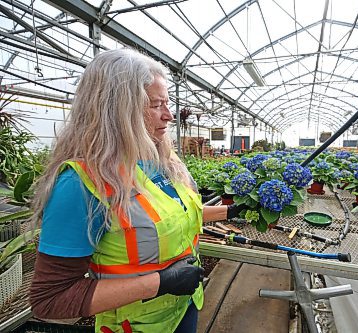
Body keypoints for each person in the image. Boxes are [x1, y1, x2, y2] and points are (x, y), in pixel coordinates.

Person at [29, 48, 244, 333]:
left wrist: (231, 211)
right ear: (117, 109)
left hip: (184, 310)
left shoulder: (158, 162)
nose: (169, 116)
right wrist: (160, 283)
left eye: (168, 104)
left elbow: (172, 218)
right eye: (156, 105)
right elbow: (49, 299)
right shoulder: (81, 183)